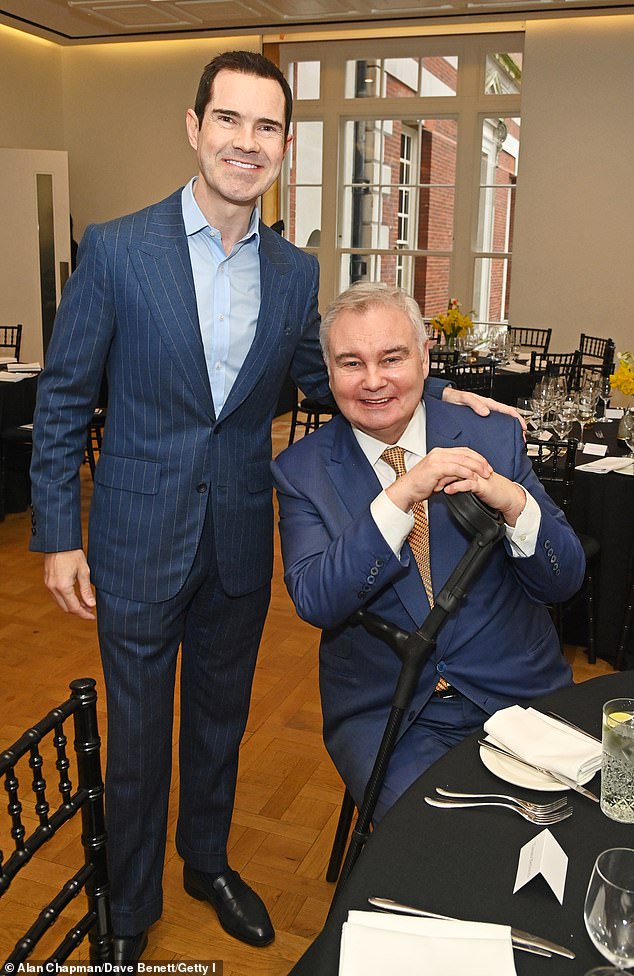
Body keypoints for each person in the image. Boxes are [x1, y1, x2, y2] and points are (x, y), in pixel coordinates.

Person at [30, 51, 526, 960]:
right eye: (229, 120)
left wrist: (443, 391)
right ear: (195, 127)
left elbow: (332, 379)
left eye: (265, 127)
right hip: (136, 537)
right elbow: (64, 400)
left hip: (237, 540)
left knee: (221, 719)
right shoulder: (115, 248)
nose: (245, 143)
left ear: (284, 145)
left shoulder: (296, 275)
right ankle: (132, 910)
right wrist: (59, 533)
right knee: (140, 739)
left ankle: (207, 862)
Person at [272, 282, 585, 823]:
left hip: (519, 691)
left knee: (573, 831)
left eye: (392, 358)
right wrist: (400, 495)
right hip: (392, 714)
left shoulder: (492, 437)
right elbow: (318, 600)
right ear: (328, 371)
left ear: (424, 357)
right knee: (446, 850)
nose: (373, 381)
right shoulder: (302, 470)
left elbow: (563, 580)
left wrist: (515, 504)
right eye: (351, 363)